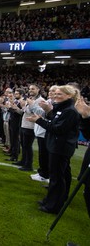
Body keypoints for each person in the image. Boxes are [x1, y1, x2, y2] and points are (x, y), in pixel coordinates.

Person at [27, 85, 80, 214]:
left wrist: (39, 120)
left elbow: (58, 129)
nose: (56, 96)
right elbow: (54, 123)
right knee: (56, 176)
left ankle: (54, 206)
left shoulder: (70, 111)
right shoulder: (62, 108)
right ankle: (49, 200)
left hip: (61, 148)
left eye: (59, 94)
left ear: (69, 96)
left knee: (57, 177)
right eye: (55, 94)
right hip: (56, 146)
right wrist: (47, 113)